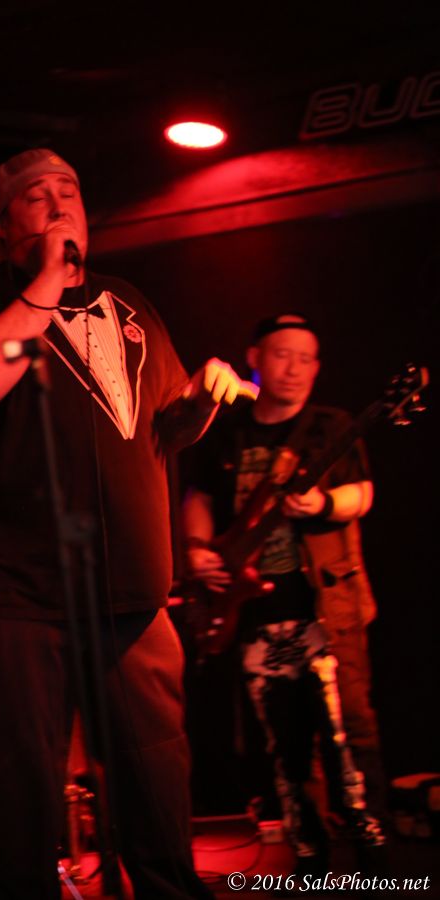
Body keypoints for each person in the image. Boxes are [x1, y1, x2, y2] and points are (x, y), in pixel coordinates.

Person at [0, 147, 257, 900]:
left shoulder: (128, 301)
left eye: (69, 190)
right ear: (1, 224)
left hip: (131, 593)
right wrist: (47, 278)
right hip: (16, 595)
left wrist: (200, 402)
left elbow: (163, 430)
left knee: (157, 787)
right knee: (18, 801)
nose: (58, 204)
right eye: (36, 195)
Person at [182, 313, 386, 875]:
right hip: (253, 611)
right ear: (255, 358)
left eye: (305, 358)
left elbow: (363, 493)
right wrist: (196, 549)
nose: (293, 369)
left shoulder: (330, 426)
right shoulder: (226, 429)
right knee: (283, 746)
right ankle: (310, 858)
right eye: (281, 355)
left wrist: (323, 504)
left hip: (325, 607)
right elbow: (199, 494)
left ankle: (374, 856)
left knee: (348, 732)